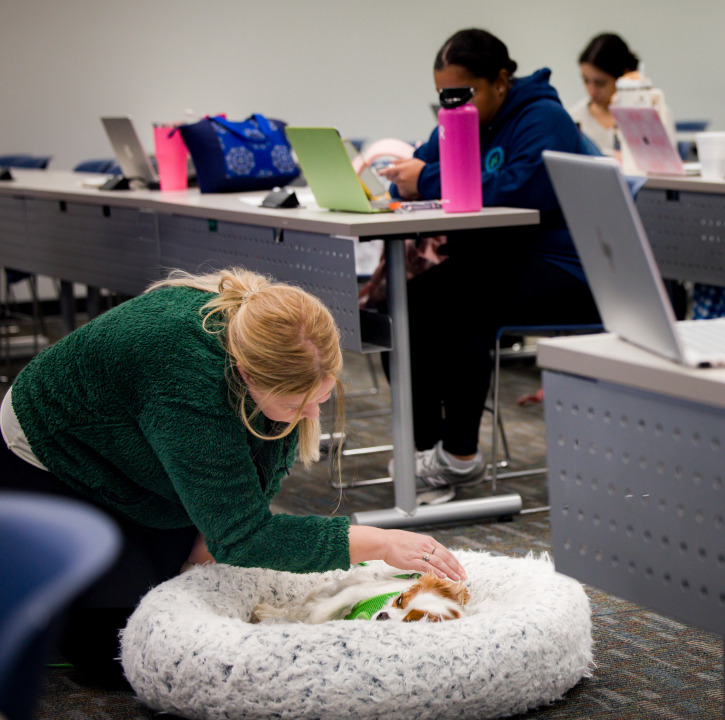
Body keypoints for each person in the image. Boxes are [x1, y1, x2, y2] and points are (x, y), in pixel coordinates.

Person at [0, 268, 466, 689]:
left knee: (186, 579)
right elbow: (244, 536)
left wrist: (216, 531)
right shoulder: (186, 385)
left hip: (146, 457)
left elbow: (261, 462)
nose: (312, 414)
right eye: (297, 403)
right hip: (57, 460)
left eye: (320, 397)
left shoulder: (270, 340)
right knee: (121, 653)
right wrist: (376, 542)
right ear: (245, 374)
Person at [379, 29, 601, 504]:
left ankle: (459, 456)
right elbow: (415, 175)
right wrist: (408, 181)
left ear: (501, 80)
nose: (457, 104)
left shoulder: (544, 117)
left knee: (461, 303)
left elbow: (522, 190)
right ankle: (426, 451)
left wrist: (427, 179)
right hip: (503, 259)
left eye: (466, 93)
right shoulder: (461, 117)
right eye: (446, 96)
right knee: (404, 303)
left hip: (569, 265)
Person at [568, 33, 639, 157]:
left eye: (600, 83)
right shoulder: (574, 119)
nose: (591, 91)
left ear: (624, 75)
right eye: (585, 80)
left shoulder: (648, 117)